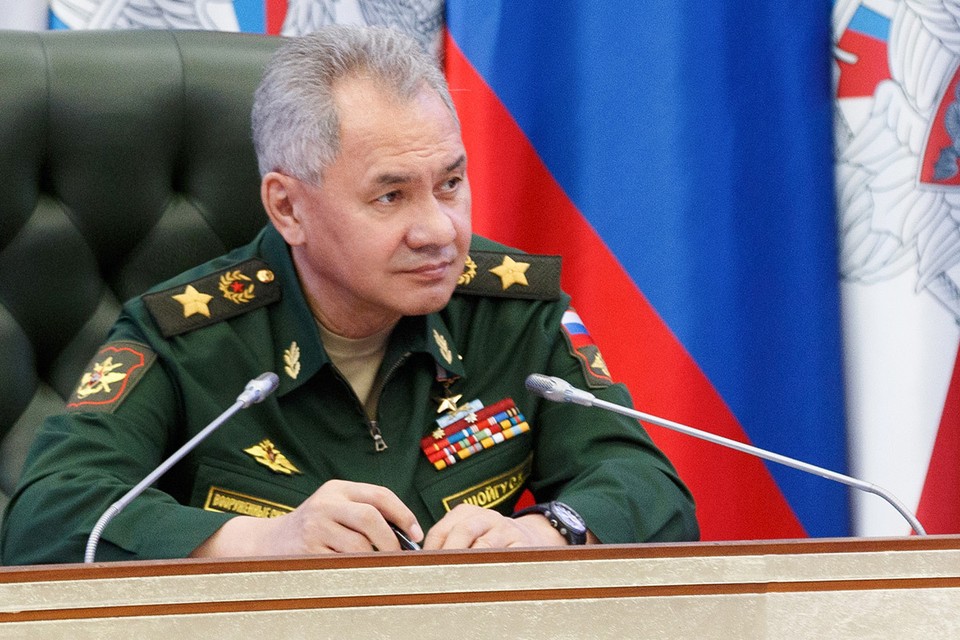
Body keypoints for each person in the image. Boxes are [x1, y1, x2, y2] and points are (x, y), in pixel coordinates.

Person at [0, 25, 697, 564]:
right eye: (390, 196)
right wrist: (261, 543)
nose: (439, 230)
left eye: (451, 183)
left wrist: (548, 532)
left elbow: (652, 491)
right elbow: (47, 520)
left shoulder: (510, 311)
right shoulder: (188, 337)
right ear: (288, 208)